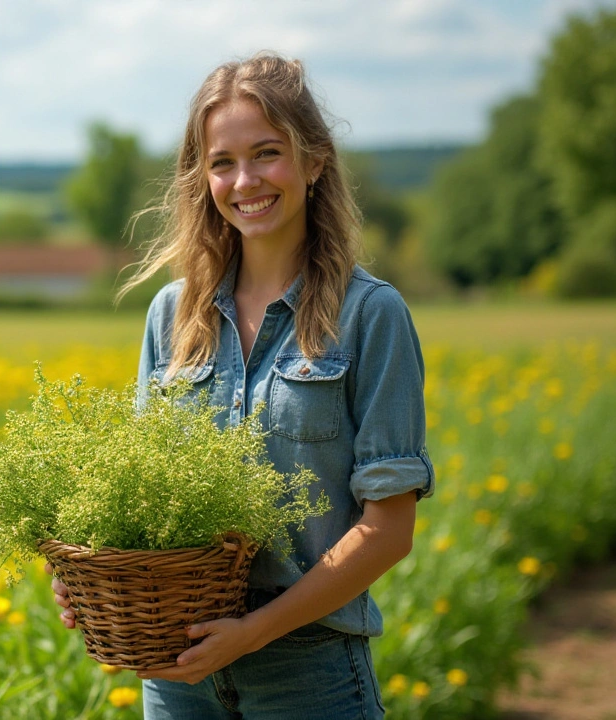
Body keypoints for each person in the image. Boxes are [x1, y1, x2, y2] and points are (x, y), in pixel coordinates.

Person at [45, 52, 434, 719]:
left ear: (314, 162)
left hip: (307, 675)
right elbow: (139, 499)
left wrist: (253, 632)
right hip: (177, 672)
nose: (244, 180)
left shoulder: (370, 315)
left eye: (266, 153)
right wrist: (91, 571)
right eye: (222, 162)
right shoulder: (173, 314)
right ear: (203, 179)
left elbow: (389, 530)